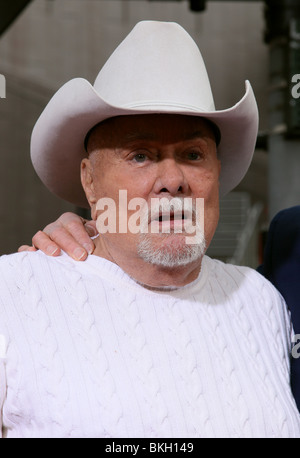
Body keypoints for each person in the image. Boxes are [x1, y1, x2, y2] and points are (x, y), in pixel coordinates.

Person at [1, 21, 300, 438]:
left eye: (193, 154)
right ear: (89, 180)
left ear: (216, 172)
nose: (173, 179)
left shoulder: (261, 301)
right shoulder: (12, 293)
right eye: (140, 155)